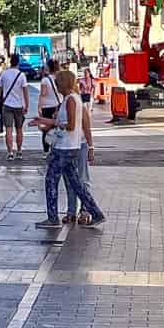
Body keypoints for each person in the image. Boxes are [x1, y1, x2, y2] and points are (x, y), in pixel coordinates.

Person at [34, 68, 103, 230]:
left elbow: (71, 126)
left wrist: (56, 124)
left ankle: (52, 218)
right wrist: (43, 121)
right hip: (69, 146)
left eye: (57, 83)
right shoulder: (70, 99)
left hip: (65, 147)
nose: (56, 86)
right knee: (76, 183)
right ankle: (96, 213)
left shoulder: (71, 100)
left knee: (51, 180)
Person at [64, 79, 96, 224]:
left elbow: (87, 128)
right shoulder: (64, 102)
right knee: (70, 180)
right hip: (68, 146)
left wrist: (90, 147)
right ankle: (71, 211)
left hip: (80, 145)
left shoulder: (78, 104)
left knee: (82, 178)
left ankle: (85, 210)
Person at [0, 53, 30, 160]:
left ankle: (10, 152)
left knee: (8, 130)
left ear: (11, 62)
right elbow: (25, 92)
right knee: (19, 129)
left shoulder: (4, 74)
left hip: (7, 105)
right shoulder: (21, 75)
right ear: (18, 62)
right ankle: (19, 151)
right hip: (19, 106)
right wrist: (27, 105)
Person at [36, 59, 62, 152]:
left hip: (47, 106)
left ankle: (46, 150)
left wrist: (39, 106)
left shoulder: (45, 80)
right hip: (58, 106)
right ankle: (57, 148)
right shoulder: (60, 78)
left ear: (48, 67)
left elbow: (43, 94)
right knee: (58, 128)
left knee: (46, 129)